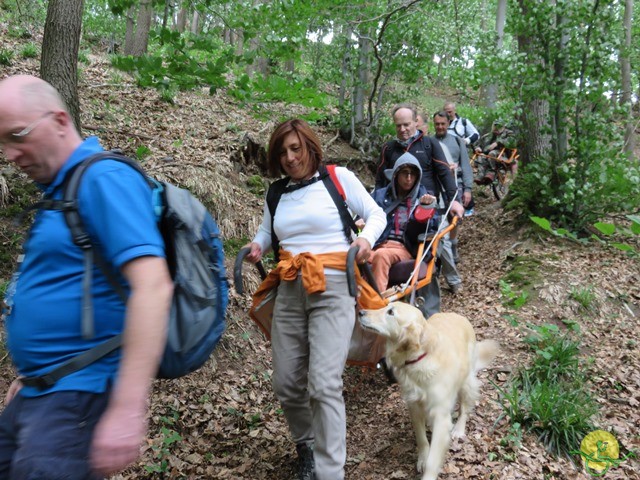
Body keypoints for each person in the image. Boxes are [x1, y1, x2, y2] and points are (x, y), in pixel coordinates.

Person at [0, 75, 174, 478]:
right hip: (42, 392)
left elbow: (153, 285)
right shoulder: (62, 191)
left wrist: (128, 408)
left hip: (78, 398)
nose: (10, 153)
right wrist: (32, 375)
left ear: (60, 121)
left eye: (17, 136)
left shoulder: (103, 179)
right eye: (2, 142)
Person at [243, 119, 386, 480]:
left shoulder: (338, 178)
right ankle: (306, 443)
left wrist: (365, 240)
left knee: (323, 384)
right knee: (287, 382)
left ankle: (329, 472)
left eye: (296, 148)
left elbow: (376, 214)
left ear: (310, 146)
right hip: (290, 286)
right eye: (283, 152)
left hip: (335, 285)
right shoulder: (276, 193)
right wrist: (257, 246)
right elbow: (266, 230)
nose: (290, 158)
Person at [374, 103, 464, 220]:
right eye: (398, 126)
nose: (402, 129)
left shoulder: (429, 144)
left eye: (406, 125)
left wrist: (454, 201)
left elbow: (444, 173)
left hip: (426, 206)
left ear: (416, 122)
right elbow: (380, 180)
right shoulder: (389, 148)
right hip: (394, 208)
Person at [368, 153, 436, 292]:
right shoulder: (379, 195)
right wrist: (361, 222)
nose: (409, 178)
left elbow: (433, 228)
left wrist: (424, 211)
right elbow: (361, 216)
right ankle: (355, 305)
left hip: (403, 248)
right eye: (405, 173)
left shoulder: (424, 198)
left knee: (381, 256)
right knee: (352, 255)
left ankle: (376, 305)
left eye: (413, 174)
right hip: (376, 243)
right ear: (396, 174)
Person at [432, 112, 471, 283]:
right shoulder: (430, 142)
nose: (440, 127)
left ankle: (453, 246)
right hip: (437, 187)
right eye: (437, 124)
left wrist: (468, 188)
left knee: (455, 218)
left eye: (443, 124)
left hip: (457, 184)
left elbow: (466, 163)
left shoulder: (456, 141)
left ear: (448, 123)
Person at [474, 119, 517, 184]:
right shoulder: (487, 136)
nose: (496, 128)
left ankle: (491, 173)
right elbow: (478, 143)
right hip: (488, 156)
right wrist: (477, 148)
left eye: (499, 126)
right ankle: (480, 176)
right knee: (481, 156)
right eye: (495, 126)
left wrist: (498, 143)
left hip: (504, 156)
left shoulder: (509, 133)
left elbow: (512, 142)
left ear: (503, 127)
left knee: (492, 153)